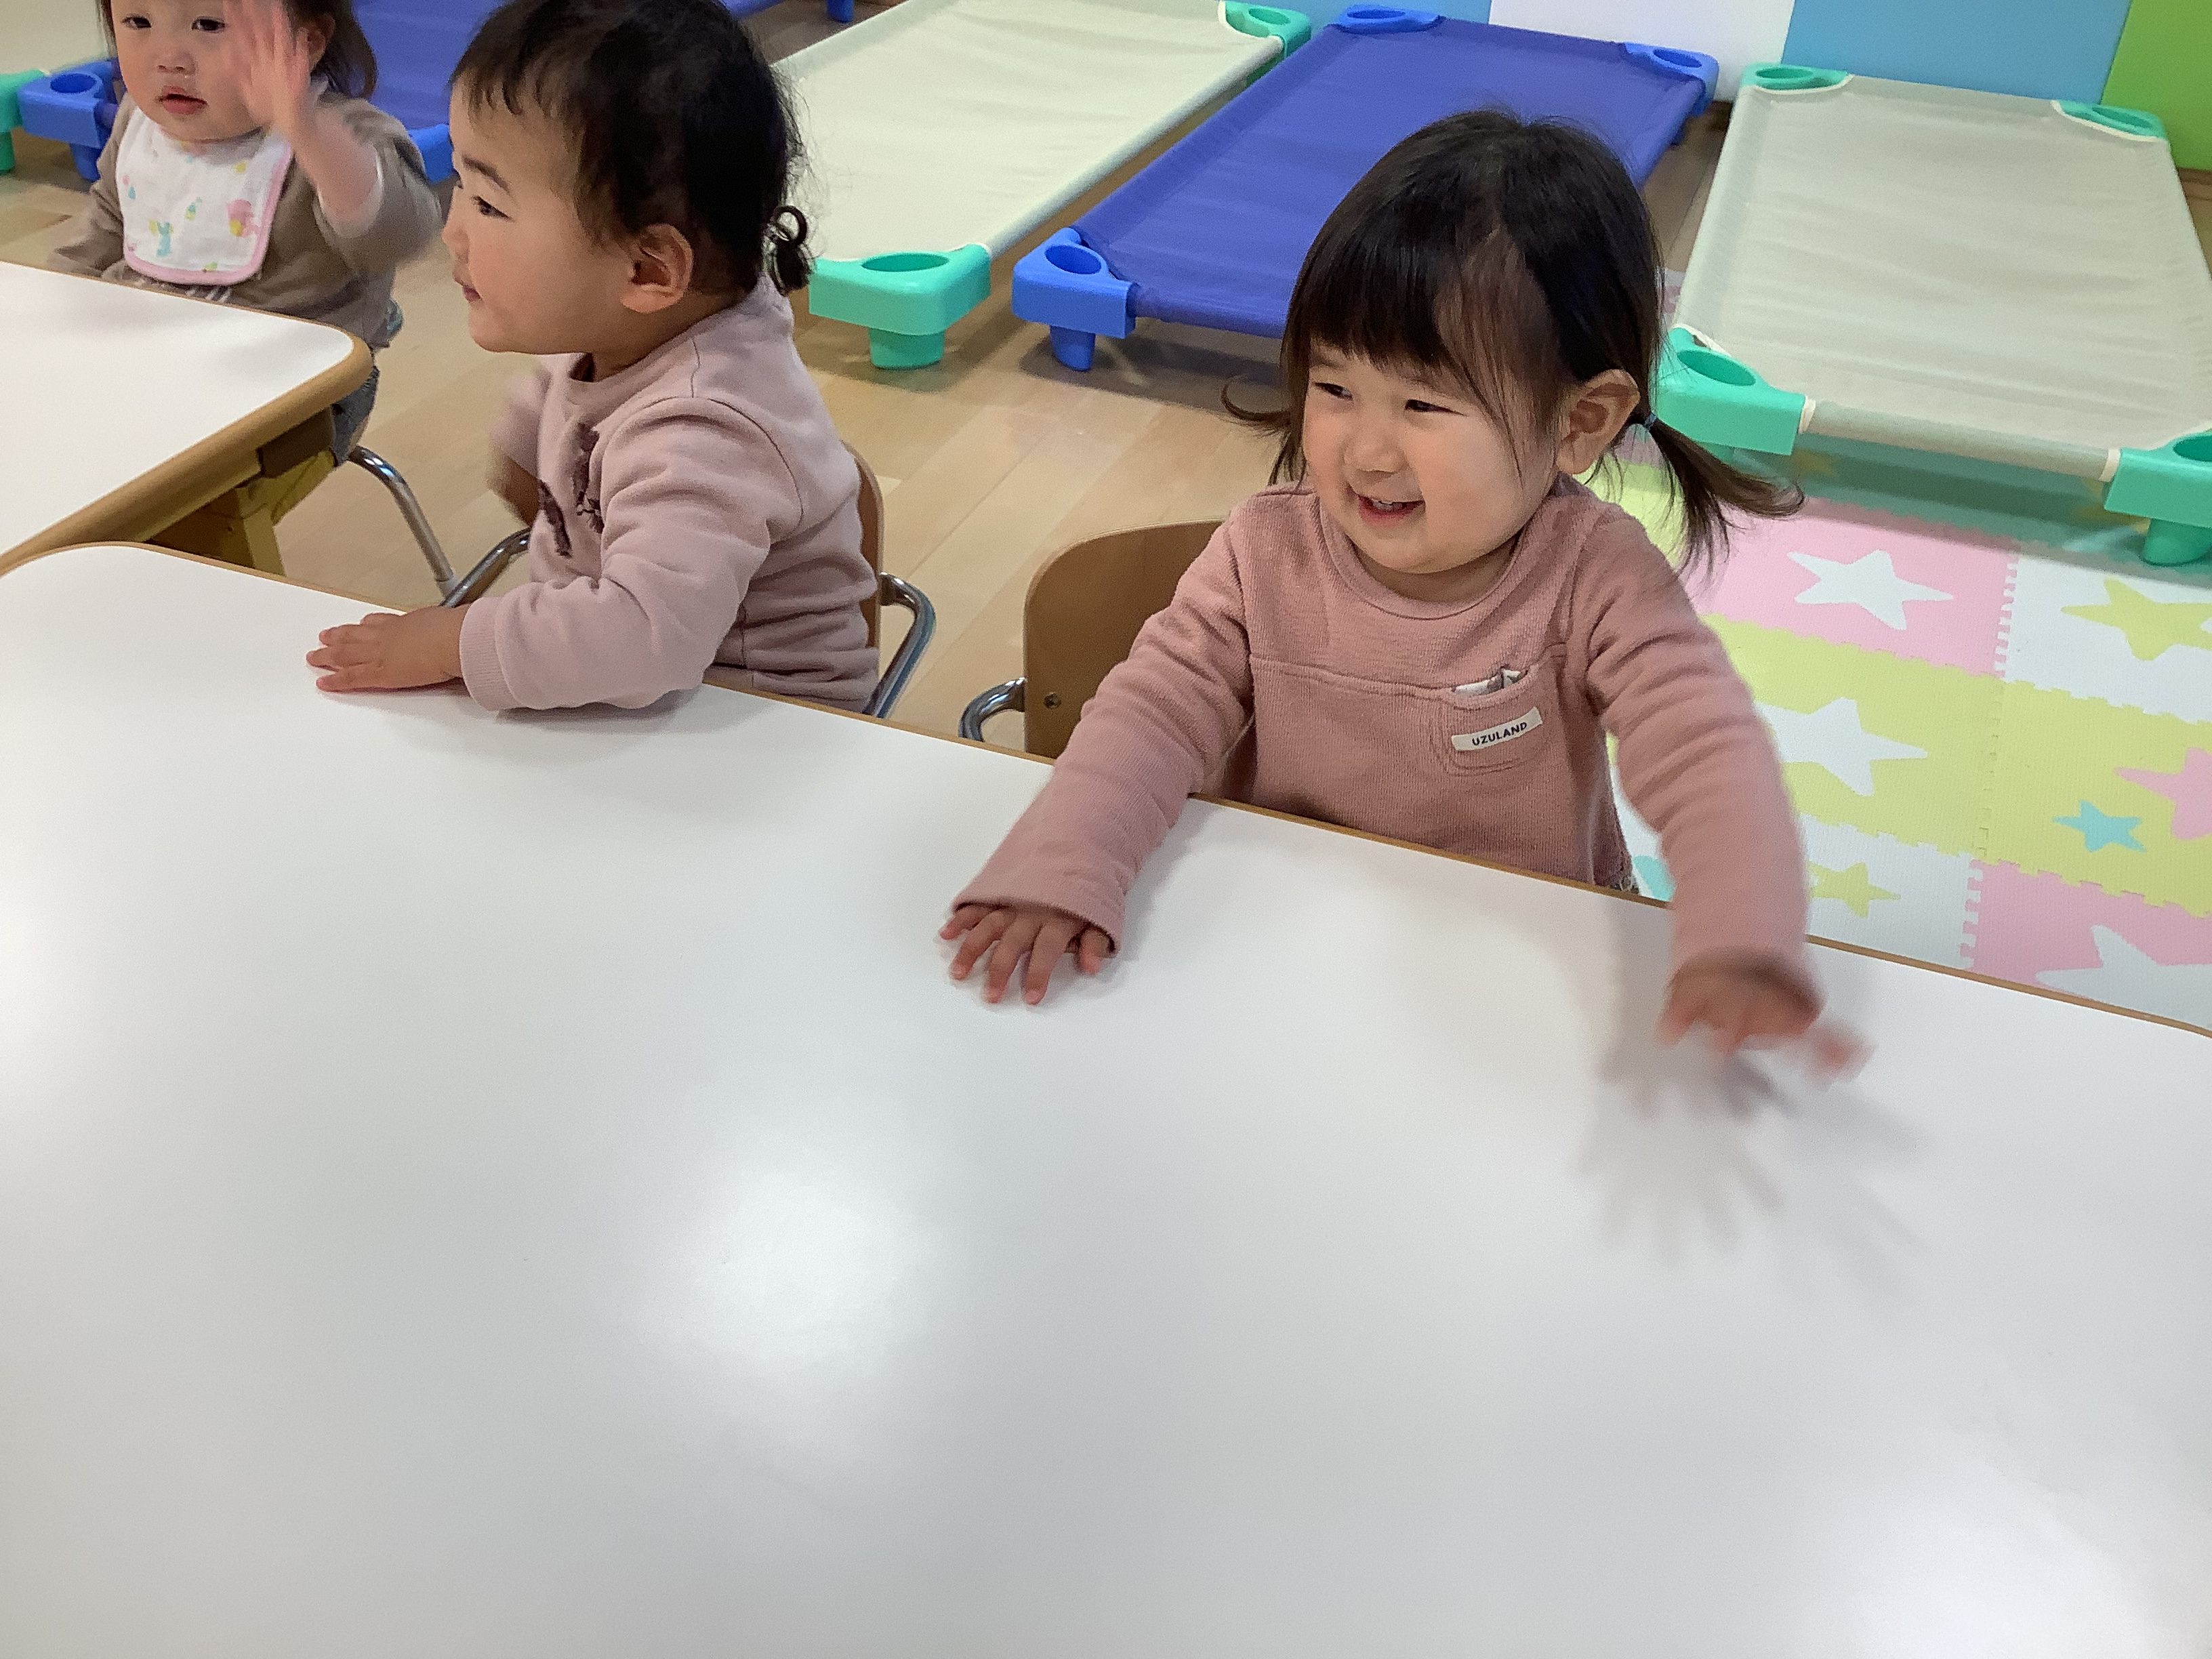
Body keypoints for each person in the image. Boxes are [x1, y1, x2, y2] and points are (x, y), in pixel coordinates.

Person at [944, 111, 1858, 1071]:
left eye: (1423, 404)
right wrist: (1060, 867)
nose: (1367, 452)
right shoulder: (1262, 552)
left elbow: (1703, 746)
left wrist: (1740, 935)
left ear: (1580, 422)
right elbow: (1152, 712)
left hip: (1515, 972)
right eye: (1335, 388)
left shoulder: (1598, 579)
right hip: (1280, 939)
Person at [305, 0, 877, 715]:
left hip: (764, 728)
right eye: (462, 188)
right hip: (650, 703)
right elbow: (548, 435)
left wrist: (449, 641)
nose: (452, 232)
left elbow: (642, 639)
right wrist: (529, 453)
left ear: (648, 270)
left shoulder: (706, 426)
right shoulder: (622, 331)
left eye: (488, 205)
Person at [49, 0, 441, 458]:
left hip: (293, 393)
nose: (169, 58)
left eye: (209, 25)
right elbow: (105, 228)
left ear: (307, 43)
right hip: (148, 364)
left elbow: (398, 235)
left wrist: (311, 135)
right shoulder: (139, 122)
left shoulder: (339, 137)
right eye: (139, 22)